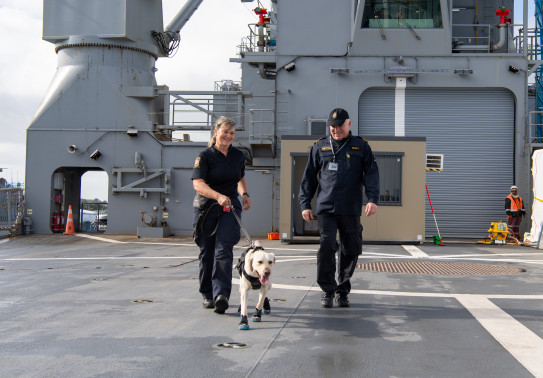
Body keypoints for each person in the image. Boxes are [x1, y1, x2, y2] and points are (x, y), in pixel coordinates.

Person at [299, 108, 379, 308]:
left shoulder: (361, 147)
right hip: (326, 207)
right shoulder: (320, 147)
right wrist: (305, 204)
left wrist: (372, 199)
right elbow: (309, 178)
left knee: (350, 249)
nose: (335, 130)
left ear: (349, 124)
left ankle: (342, 290)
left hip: (350, 207)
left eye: (340, 126)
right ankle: (328, 290)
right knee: (327, 246)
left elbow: (371, 173)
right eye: (332, 126)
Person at [192, 116, 251, 314]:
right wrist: (218, 196)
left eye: (232, 133)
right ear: (216, 131)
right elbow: (198, 183)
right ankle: (207, 293)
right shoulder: (205, 156)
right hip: (207, 207)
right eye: (225, 131)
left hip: (229, 206)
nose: (228, 136)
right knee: (207, 252)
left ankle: (221, 295)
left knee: (223, 249)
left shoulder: (237, 155)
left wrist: (244, 194)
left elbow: (240, 176)